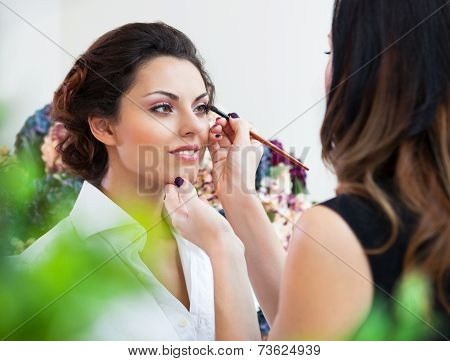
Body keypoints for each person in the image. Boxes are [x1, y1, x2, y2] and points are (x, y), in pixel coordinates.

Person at [166, 0, 450, 340]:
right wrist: (239, 198)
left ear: (370, 70)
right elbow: (311, 316)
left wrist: (221, 241)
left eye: (332, 53)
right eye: (162, 107)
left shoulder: (339, 232)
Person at [18, 22, 260, 341]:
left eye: (200, 107)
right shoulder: (38, 277)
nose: (193, 127)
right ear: (105, 127)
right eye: (163, 107)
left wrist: (225, 242)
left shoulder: (218, 241)